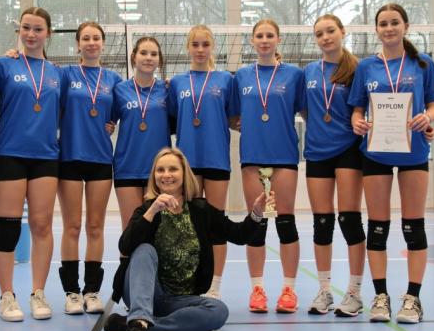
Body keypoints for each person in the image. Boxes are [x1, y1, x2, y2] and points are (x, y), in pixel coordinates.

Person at [104, 147, 270, 331]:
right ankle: (140, 322)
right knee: (144, 250)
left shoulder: (201, 210)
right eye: (160, 170)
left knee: (218, 311)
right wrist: (152, 211)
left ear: (184, 174)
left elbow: (238, 235)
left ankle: (138, 325)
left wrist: (256, 213)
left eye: (173, 169)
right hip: (146, 293)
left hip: (180, 301)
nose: (166, 175)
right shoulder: (146, 209)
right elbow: (125, 247)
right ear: (154, 176)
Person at [348, 3, 434, 324]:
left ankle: (413, 298)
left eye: (394, 22)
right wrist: (357, 122)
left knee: (413, 227)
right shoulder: (366, 66)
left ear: (405, 26)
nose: (389, 28)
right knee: (377, 227)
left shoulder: (423, 63)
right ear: (376, 29)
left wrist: (427, 117)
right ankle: (380, 296)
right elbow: (357, 109)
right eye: (383, 24)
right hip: (375, 152)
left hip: (413, 151)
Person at [0, 7, 62, 322]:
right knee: (8, 226)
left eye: (38, 29)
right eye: (26, 28)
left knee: (42, 225)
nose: (31, 34)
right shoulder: (3, 65)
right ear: (19, 30)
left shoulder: (58, 73)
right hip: (10, 153)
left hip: (46, 156)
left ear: (48, 33)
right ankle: (7, 296)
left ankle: (38, 293)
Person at [232, 19, 305, 313]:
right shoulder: (241, 76)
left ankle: (289, 290)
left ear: (278, 40)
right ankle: (257, 290)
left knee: (286, 223)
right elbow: (232, 115)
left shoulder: (294, 75)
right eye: (259, 36)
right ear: (252, 40)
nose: (264, 40)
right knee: (256, 224)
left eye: (269, 35)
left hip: (284, 155)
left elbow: (308, 111)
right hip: (252, 156)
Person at [168, 24, 239, 299]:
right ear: (188, 47)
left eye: (205, 44)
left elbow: (234, 118)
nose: (200, 50)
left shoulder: (226, 80)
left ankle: (215, 286)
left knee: (216, 224)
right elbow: (171, 117)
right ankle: (192, 282)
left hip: (217, 159)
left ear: (212, 47)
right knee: (190, 226)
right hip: (188, 163)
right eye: (195, 44)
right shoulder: (177, 82)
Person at [302, 14, 365, 317]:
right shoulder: (309, 72)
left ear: (342, 32)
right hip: (317, 151)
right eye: (319, 34)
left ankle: (354, 292)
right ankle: (324, 290)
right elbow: (304, 108)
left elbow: (364, 108)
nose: (325, 37)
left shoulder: (357, 69)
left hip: (348, 150)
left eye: (330, 31)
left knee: (349, 220)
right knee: (322, 222)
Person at [57, 21, 122, 314]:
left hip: (101, 159)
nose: (91, 42)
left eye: (96, 38)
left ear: (103, 43)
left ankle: (92, 291)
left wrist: (112, 123)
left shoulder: (114, 79)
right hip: (70, 157)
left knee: (95, 226)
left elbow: (120, 112)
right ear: (78, 44)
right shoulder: (65, 75)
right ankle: (72, 292)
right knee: (72, 226)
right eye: (86, 38)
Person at [113, 36, 171, 230]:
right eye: (143, 53)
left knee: (156, 230)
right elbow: (107, 119)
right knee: (131, 229)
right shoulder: (120, 90)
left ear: (159, 59)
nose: (148, 58)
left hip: (159, 170)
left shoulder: (167, 89)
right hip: (127, 167)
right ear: (134, 57)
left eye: (153, 54)